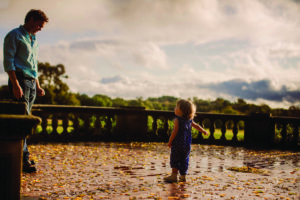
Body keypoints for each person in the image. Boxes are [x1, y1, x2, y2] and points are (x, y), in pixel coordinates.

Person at [3, 9, 48, 173]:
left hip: (31, 83)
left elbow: (33, 65)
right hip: (20, 81)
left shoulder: (33, 39)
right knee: (23, 121)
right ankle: (23, 160)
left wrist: (38, 85)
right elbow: (8, 62)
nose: (40, 29)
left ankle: (23, 156)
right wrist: (15, 84)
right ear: (31, 19)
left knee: (26, 120)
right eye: (39, 25)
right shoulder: (14, 35)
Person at [164, 99, 208, 182]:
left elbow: (175, 132)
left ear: (181, 111)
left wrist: (170, 141)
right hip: (187, 145)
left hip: (177, 144)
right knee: (184, 159)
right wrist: (203, 131)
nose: (175, 108)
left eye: (177, 107)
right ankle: (183, 176)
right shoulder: (189, 120)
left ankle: (174, 176)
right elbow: (197, 126)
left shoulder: (177, 120)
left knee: (175, 158)